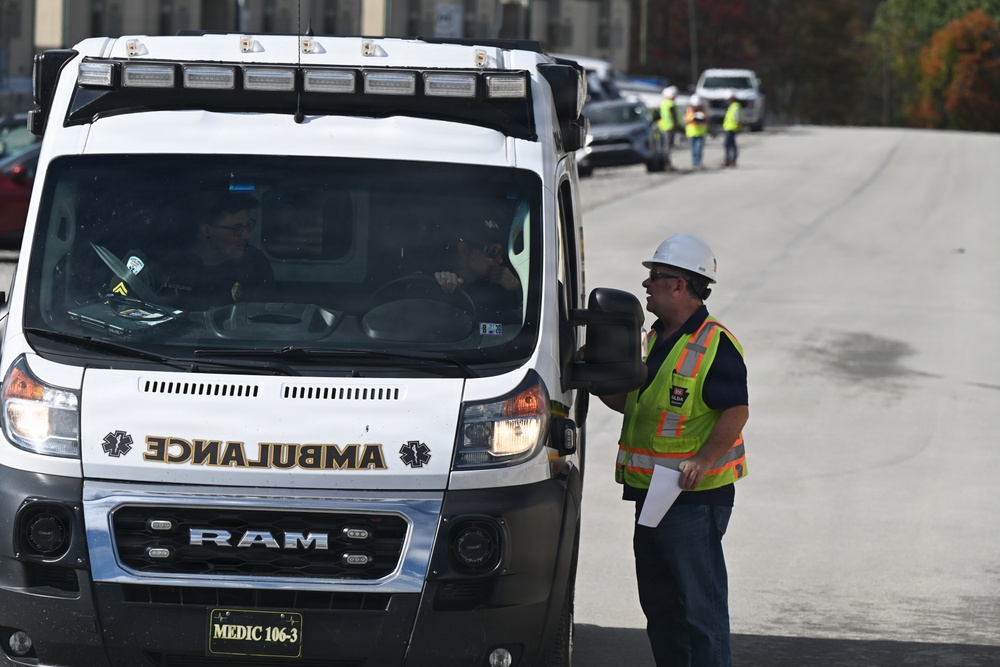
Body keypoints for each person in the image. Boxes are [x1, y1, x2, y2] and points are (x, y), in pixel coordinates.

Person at [594, 233, 749, 667]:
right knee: (662, 608)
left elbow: (735, 411)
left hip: (693, 499)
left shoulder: (715, 343)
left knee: (701, 611)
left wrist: (702, 460)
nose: (646, 285)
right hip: (651, 496)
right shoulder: (653, 339)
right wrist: (597, 382)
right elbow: (637, 404)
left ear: (680, 285)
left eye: (654, 276)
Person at [151, 191, 274, 310]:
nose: (246, 235)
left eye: (248, 226)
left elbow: (262, 319)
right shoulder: (170, 266)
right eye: (237, 228)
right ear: (206, 230)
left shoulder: (255, 264)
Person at [434, 218, 521, 326]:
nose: (500, 260)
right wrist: (440, 285)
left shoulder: (499, 293)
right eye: (491, 251)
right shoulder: (438, 279)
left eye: (500, 252)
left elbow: (510, 331)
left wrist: (517, 290)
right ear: (464, 250)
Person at [658, 86, 681, 171]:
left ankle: (665, 163)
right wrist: (678, 127)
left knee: (664, 147)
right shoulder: (671, 104)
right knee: (668, 147)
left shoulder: (663, 103)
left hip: (663, 127)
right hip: (670, 128)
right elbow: (673, 116)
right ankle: (667, 164)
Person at [684, 95, 709, 170]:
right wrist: (693, 119)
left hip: (700, 133)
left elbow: (706, 120)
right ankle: (695, 162)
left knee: (698, 148)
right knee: (693, 149)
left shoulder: (702, 111)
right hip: (691, 133)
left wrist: (701, 119)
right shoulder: (688, 110)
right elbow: (685, 120)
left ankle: (698, 162)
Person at [722, 90, 742, 168]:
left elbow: (737, 118)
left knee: (729, 145)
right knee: (730, 145)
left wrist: (738, 126)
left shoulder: (735, 106)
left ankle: (730, 160)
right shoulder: (732, 106)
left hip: (731, 128)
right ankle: (729, 160)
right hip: (729, 128)